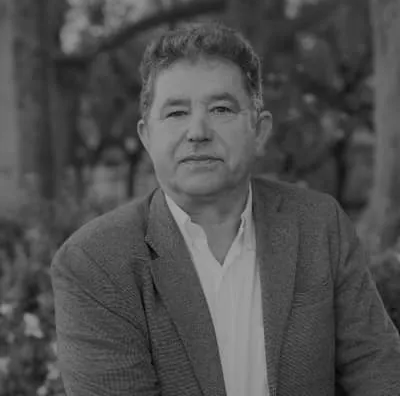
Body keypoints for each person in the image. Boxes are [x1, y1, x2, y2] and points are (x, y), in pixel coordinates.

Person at [51, 23, 400, 396]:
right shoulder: (94, 262)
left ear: (259, 130)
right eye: (176, 113)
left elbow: (377, 369)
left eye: (220, 109)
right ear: (146, 136)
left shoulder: (317, 225)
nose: (198, 131)